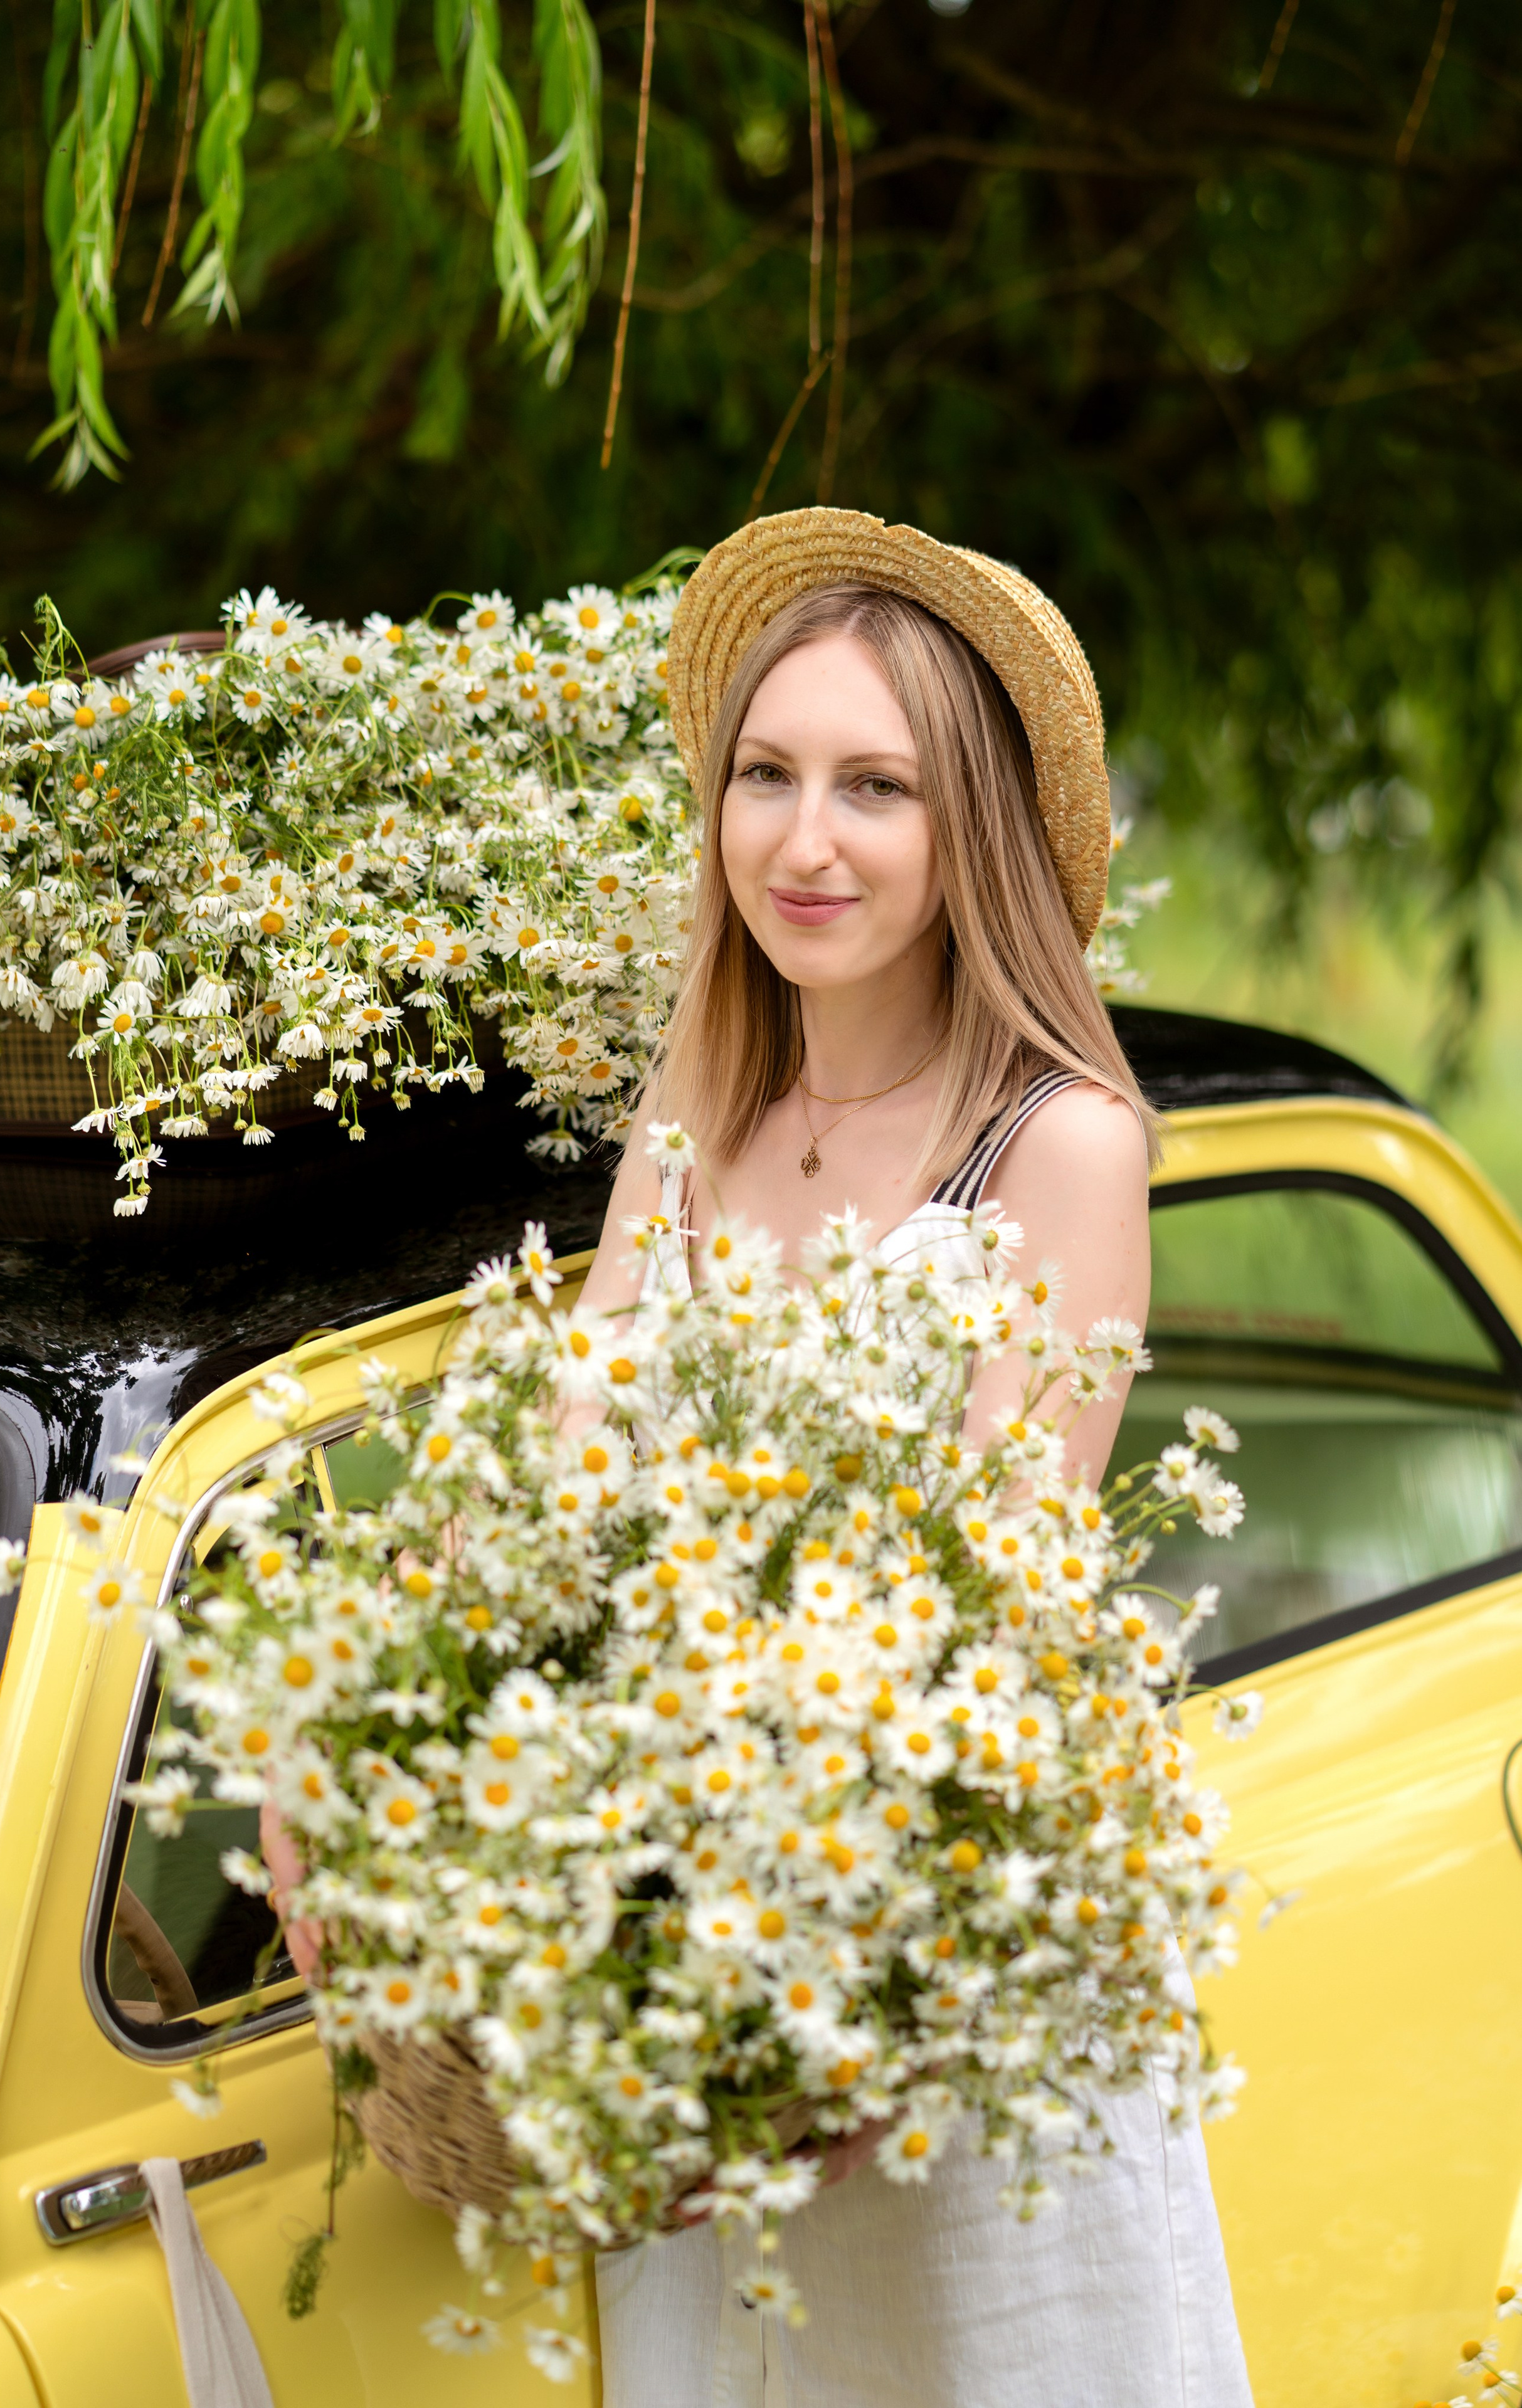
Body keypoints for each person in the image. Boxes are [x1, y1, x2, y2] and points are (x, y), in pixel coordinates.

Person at [576, 508, 1254, 2408]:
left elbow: (1003, 1604)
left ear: (973, 834)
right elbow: (565, 1499)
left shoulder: (1061, 1144)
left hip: (947, 1948)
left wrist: (857, 1929)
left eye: (876, 786)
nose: (806, 842)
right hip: (710, 1966)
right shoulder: (691, 1115)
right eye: (768, 778)